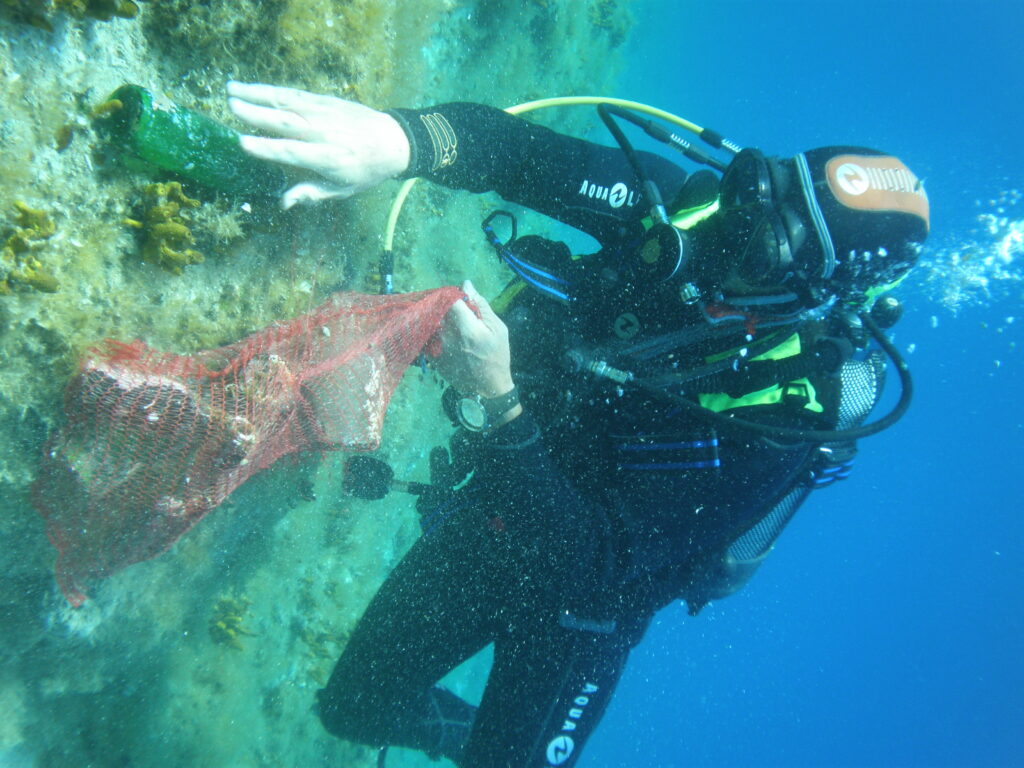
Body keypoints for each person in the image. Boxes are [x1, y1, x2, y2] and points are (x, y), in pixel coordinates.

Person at [226, 81, 930, 767]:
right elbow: (520, 154)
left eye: (762, 246)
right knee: (353, 709)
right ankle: (459, 733)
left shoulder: (789, 407)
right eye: (752, 188)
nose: (725, 233)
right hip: (498, 520)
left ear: (810, 289)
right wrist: (400, 140)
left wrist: (499, 397)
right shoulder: (687, 214)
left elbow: (589, 558)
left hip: (582, 612)